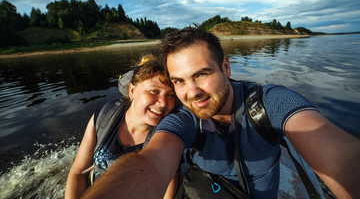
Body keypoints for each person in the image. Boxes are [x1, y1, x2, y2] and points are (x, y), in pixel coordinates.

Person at [83, 27, 360, 199]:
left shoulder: (270, 102)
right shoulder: (183, 117)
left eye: (202, 74)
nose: (191, 93)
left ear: (226, 67)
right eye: (179, 81)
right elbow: (152, 164)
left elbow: (343, 159)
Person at [65, 54, 178, 199]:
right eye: (154, 91)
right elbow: (78, 172)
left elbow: (167, 190)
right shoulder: (105, 116)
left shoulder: (168, 136)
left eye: (171, 95)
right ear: (132, 91)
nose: (163, 102)